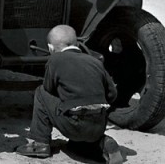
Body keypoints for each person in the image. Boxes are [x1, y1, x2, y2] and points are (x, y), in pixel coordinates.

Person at [15, 24, 123, 164]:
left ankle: (39, 143)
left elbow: (49, 89)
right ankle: (102, 143)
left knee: (40, 92)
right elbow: (112, 94)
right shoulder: (95, 62)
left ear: (51, 48)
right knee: (75, 146)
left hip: (73, 123)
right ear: (77, 43)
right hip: (98, 125)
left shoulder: (55, 60)